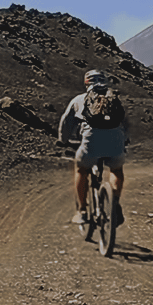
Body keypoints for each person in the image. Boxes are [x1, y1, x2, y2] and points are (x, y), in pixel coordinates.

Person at [58, 69, 128, 226]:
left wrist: (63, 141)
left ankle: (82, 212)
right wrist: (125, 140)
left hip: (91, 142)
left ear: (86, 83)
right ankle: (114, 202)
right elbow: (124, 121)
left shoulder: (79, 100)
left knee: (81, 170)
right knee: (116, 170)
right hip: (116, 141)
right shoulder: (113, 98)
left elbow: (66, 122)